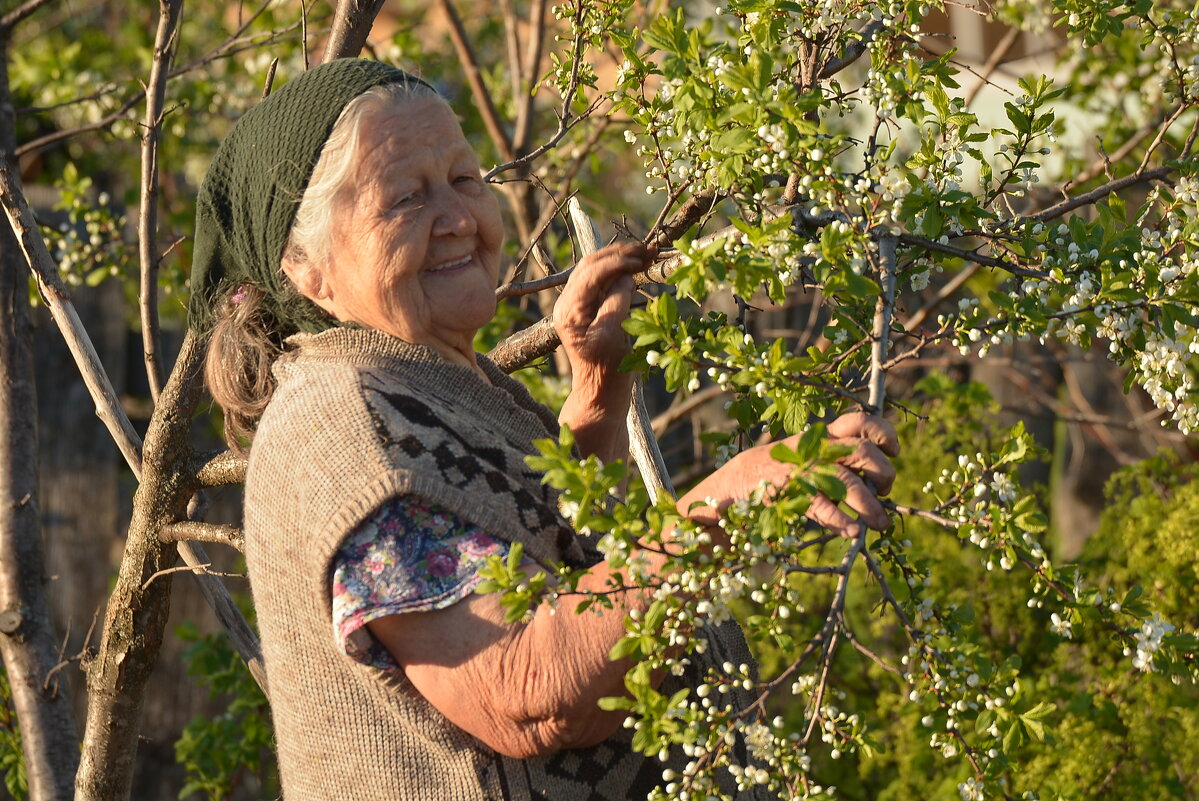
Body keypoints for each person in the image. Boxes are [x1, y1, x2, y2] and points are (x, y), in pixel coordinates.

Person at [189, 59, 899, 800]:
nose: (459, 217)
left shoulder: (418, 381)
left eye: (464, 180)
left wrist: (596, 393)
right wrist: (724, 500)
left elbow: (541, 561)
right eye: (405, 198)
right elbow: (525, 688)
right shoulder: (347, 429)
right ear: (307, 269)